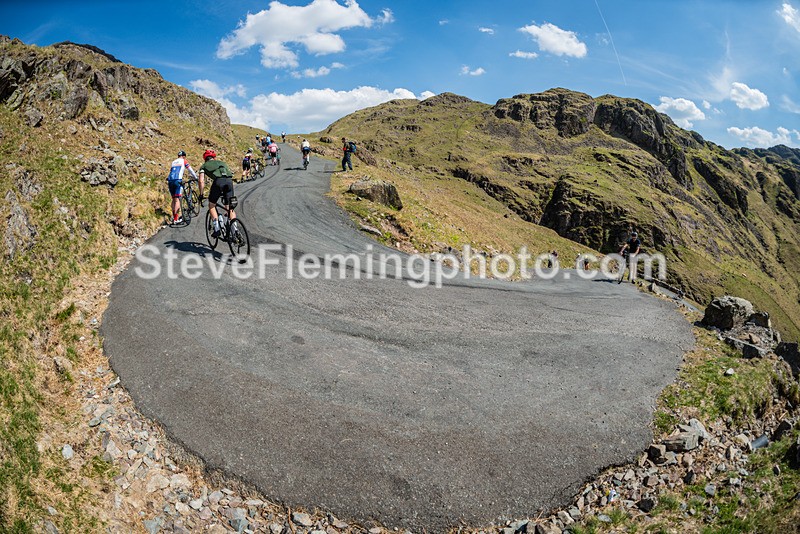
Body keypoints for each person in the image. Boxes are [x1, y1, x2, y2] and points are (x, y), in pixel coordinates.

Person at [198, 149, 235, 238]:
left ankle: (217, 229)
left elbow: (201, 181)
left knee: (212, 205)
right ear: (214, 157)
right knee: (230, 207)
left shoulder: (204, 166)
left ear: (205, 158)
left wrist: (201, 194)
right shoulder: (222, 163)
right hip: (229, 182)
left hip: (218, 182)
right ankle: (235, 230)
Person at [166, 150, 198, 224]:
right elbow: (190, 170)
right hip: (178, 180)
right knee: (177, 200)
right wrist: (195, 177)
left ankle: (174, 217)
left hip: (170, 181)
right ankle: (176, 219)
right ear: (184, 156)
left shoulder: (173, 162)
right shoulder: (184, 161)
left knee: (174, 199)